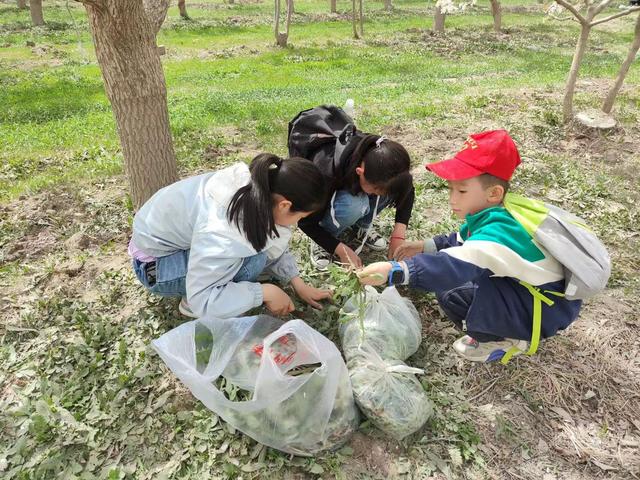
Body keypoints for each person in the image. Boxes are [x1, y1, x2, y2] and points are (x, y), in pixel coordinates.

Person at [357, 130, 582, 363]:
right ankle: (506, 322)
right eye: (450, 189)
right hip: (540, 297)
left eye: (461, 190)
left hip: (543, 311)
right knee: (462, 282)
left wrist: (394, 271)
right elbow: (464, 240)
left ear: (494, 193)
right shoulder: (501, 213)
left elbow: (452, 265)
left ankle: (503, 339)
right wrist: (425, 246)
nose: (452, 199)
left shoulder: (499, 234)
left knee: (452, 294)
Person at [128, 153, 332, 319]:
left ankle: (229, 285)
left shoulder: (257, 188)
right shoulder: (225, 230)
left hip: (165, 245)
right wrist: (264, 292)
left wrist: (297, 282)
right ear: (285, 205)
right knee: (253, 261)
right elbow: (204, 300)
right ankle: (188, 302)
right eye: (301, 216)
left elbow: (272, 236)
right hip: (155, 267)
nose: (296, 223)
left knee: (258, 253)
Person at [299, 134, 415, 270]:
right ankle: (325, 236)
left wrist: (398, 237)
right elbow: (305, 222)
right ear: (360, 172)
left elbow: (406, 190)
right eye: (375, 190)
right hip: (326, 195)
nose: (377, 195)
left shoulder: (381, 157)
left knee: (389, 190)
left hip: (353, 182)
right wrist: (340, 249)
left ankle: (361, 226)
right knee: (353, 204)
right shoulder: (326, 174)